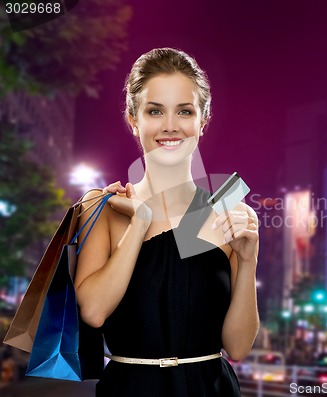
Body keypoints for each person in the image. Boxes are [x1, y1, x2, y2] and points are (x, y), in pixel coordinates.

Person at [74, 48, 260, 396]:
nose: (170, 125)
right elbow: (95, 312)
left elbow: (237, 347)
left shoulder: (231, 211)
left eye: (185, 111)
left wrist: (248, 260)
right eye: (155, 111)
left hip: (211, 389)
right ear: (133, 119)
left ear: (203, 121)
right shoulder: (102, 207)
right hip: (131, 389)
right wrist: (140, 221)